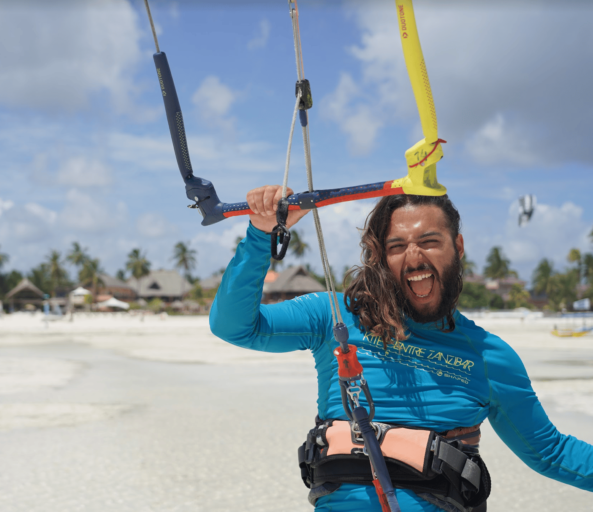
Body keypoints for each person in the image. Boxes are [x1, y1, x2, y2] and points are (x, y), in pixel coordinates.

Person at [209, 185, 593, 512]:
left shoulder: (490, 356)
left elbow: (552, 453)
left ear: (457, 247)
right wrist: (261, 234)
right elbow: (234, 327)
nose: (414, 257)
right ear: (381, 258)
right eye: (397, 246)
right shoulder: (334, 317)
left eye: (429, 241)